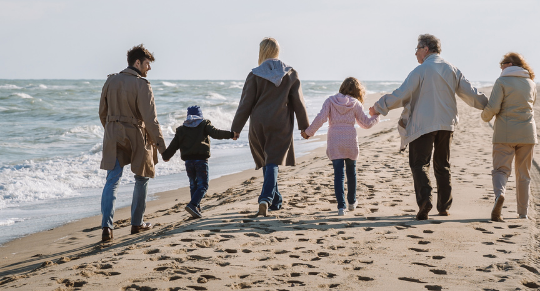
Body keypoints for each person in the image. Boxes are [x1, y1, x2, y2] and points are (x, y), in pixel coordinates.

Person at [369, 33, 488, 220]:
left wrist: (378, 107)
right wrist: (489, 105)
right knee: (443, 165)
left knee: (419, 164)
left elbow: (402, 94)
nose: (415, 54)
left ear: (426, 49)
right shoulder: (452, 69)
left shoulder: (421, 70)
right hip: (446, 124)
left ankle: (425, 201)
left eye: (416, 49)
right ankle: (444, 207)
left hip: (423, 124)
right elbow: (471, 94)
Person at [231, 37, 310, 217]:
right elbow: (298, 103)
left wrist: (236, 128)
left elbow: (245, 104)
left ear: (262, 51)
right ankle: (266, 198)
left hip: (259, 123)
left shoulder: (254, 74)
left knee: (269, 161)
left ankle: (275, 200)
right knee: (272, 161)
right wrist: (304, 127)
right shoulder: (290, 73)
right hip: (281, 123)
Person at [98, 44, 167, 242]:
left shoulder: (110, 81)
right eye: (147, 64)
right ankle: (136, 223)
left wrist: (111, 129)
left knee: (112, 179)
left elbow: (102, 113)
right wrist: (162, 147)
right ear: (137, 63)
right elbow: (151, 120)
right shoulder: (142, 85)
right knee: (142, 177)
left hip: (112, 132)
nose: (149, 69)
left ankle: (106, 227)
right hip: (136, 132)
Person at [302, 77, 378, 215]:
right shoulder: (355, 104)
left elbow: (320, 119)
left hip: (335, 141)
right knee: (351, 172)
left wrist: (308, 133)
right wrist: (376, 116)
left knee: (339, 174)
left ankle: (341, 207)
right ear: (357, 91)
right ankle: (352, 202)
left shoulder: (330, 101)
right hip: (350, 141)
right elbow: (365, 124)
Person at [481, 52, 538, 222]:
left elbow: (494, 107)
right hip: (527, 133)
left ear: (510, 64)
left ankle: (500, 195)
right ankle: (522, 213)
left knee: (501, 170)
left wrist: (484, 117)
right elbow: (532, 104)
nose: (500, 68)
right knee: (524, 174)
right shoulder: (531, 83)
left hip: (505, 133)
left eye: (502, 65)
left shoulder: (502, 82)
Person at [162, 105, 235, 219]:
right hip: (201, 160)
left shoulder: (182, 129)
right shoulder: (204, 124)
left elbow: (173, 145)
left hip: (188, 162)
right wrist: (231, 134)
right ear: (200, 115)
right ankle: (193, 205)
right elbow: (216, 133)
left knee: (193, 184)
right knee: (203, 185)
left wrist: (166, 156)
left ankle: (196, 209)